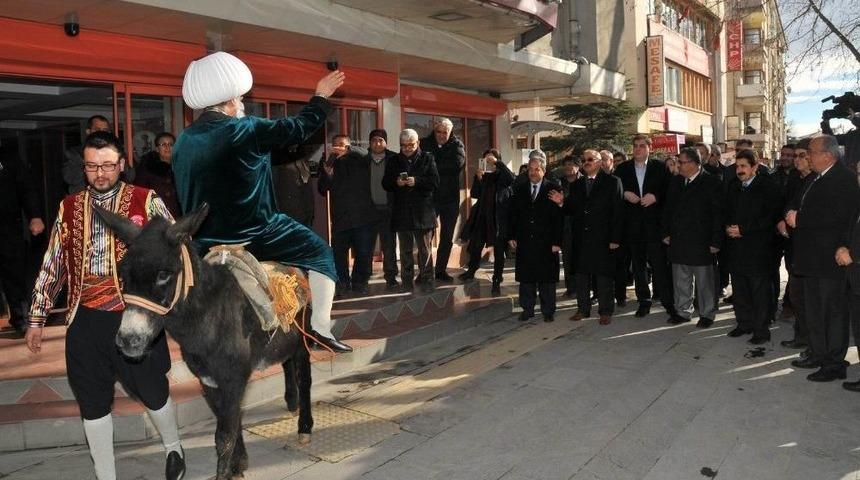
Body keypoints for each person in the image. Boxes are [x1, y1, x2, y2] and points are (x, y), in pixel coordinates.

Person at [26, 131, 185, 480]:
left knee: (152, 390)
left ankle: (173, 446)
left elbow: (176, 249)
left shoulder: (146, 200)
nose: (100, 174)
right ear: (84, 167)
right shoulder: (69, 206)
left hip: (133, 315)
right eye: (92, 166)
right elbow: (54, 264)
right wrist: (37, 317)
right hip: (84, 319)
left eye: (108, 166)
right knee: (92, 401)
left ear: (122, 164)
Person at [172, 51, 352, 353]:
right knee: (321, 252)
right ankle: (320, 329)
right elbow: (299, 127)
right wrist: (320, 97)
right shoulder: (246, 128)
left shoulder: (182, 141)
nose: (242, 103)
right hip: (259, 232)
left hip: (204, 242)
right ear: (231, 101)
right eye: (241, 98)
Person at [785, 134, 860, 382]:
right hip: (810, 259)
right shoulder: (815, 178)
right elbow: (798, 204)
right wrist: (790, 216)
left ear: (828, 155)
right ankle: (818, 353)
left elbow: (839, 217)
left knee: (833, 314)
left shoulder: (844, 179)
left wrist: (800, 219)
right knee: (814, 311)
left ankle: (835, 363)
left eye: (811, 152)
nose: (808, 156)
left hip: (830, 260)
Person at [552, 149, 623, 325]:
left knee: (603, 276)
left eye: (590, 159)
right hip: (581, 238)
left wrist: (615, 238)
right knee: (582, 276)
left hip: (603, 238)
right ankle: (583, 309)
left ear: (599, 162)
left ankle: (605, 311)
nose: (586, 163)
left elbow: (618, 212)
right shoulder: (577, 184)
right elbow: (571, 209)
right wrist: (561, 202)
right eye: (584, 160)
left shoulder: (613, 182)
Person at [724, 150, 783, 344]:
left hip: (759, 250)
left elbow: (770, 218)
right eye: (737, 166)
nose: (739, 170)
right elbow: (725, 211)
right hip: (736, 248)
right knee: (740, 289)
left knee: (759, 293)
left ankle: (761, 331)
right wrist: (728, 228)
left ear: (755, 167)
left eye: (743, 166)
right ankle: (744, 324)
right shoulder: (733, 186)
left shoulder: (768, 187)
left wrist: (744, 229)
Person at [614, 135, 675, 320]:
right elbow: (614, 193)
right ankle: (644, 302)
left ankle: (668, 302)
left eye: (642, 146)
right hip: (633, 227)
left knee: (659, 266)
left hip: (654, 226)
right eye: (635, 146)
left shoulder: (659, 167)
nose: (638, 149)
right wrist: (624, 194)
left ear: (649, 148)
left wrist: (655, 196)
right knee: (638, 267)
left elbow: (670, 191)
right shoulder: (622, 169)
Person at [663, 147, 723, 328]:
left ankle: (707, 313)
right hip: (679, 239)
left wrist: (716, 241)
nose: (678, 166)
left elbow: (718, 214)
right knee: (681, 280)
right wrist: (665, 232)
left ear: (694, 163)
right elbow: (668, 210)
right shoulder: (676, 182)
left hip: (702, 241)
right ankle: (683, 311)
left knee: (704, 282)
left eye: (682, 162)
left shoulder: (712, 182)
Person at [318, 134, 379, 297]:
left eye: (343, 145)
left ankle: (360, 282)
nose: (339, 148)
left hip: (363, 216)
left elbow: (367, 154)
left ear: (349, 146)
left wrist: (349, 151)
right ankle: (342, 283)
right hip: (341, 217)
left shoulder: (359, 157)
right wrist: (328, 174)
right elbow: (322, 189)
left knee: (363, 252)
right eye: (336, 144)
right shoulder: (328, 161)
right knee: (339, 254)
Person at [508, 150, 563, 322]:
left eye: (536, 169)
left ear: (543, 171)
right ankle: (527, 309)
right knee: (527, 278)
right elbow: (513, 215)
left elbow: (559, 219)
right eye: (530, 169)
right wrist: (511, 236)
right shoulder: (519, 189)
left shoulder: (553, 189)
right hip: (525, 241)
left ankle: (548, 311)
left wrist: (557, 242)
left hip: (547, 242)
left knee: (546, 279)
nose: (532, 172)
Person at [383, 129, 439, 293]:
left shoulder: (427, 158)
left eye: (411, 145)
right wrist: (396, 183)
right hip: (402, 212)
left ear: (418, 143)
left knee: (424, 249)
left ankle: (427, 279)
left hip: (423, 212)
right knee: (405, 250)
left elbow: (435, 182)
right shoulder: (394, 160)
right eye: (404, 145)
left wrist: (417, 181)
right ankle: (406, 281)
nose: (407, 148)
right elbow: (385, 183)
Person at [0, 147, 44, 334]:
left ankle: (20, 316)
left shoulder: (8, 158)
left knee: (14, 271)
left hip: (7, 226)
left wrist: (35, 215)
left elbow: (26, 188)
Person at [459, 149, 515, 295]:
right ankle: (471, 270)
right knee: (475, 245)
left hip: (498, 218)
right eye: (486, 160)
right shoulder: (483, 174)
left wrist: (498, 164)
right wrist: (479, 179)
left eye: (491, 159)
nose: (489, 162)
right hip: (482, 216)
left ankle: (497, 280)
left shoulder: (503, 174)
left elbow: (512, 179)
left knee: (499, 250)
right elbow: (475, 194)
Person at [420, 118, 465, 283]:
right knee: (425, 237)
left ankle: (440, 271)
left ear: (450, 132)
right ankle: (424, 272)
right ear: (434, 131)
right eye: (438, 131)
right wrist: (437, 166)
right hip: (429, 198)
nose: (441, 135)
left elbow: (456, 165)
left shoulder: (457, 146)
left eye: (444, 132)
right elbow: (419, 166)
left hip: (450, 199)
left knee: (447, 237)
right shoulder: (424, 144)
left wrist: (432, 165)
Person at [779, 139, 813, 350]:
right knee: (797, 296)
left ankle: (810, 341)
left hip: (812, 250)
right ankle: (801, 337)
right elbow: (788, 203)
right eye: (796, 156)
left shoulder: (818, 180)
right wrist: (784, 217)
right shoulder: (795, 178)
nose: (797, 160)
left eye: (802, 156)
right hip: (794, 246)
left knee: (808, 299)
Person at [366, 129, 400, 290]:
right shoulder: (363, 160)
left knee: (389, 245)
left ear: (386, 142)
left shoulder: (395, 159)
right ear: (370, 143)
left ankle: (391, 277)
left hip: (389, 209)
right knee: (366, 245)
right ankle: (364, 276)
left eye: (380, 140)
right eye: (374, 140)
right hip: (368, 210)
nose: (377, 143)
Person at [134, 132, 181, 218]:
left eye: (171, 144)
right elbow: (139, 194)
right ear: (157, 149)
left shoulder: (182, 168)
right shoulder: (147, 168)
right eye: (163, 144)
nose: (167, 147)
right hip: (156, 218)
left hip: (179, 218)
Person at [559, 155, 582, 297]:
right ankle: (571, 288)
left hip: (581, 226)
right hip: (565, 227)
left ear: (578, 167)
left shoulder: (584, 182)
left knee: (582, 259)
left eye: (571, 164)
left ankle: (584, 288)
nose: (568, 167)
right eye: (566, 164)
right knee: (567, 259)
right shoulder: (559, 183)